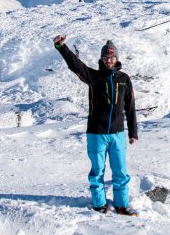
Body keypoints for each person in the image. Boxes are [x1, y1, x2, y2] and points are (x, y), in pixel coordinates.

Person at [53, 35, 138, 216]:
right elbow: (75, 65)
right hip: (96, 133)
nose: (109, 60)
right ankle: (99, 204)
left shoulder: (124, 79)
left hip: (117, 134)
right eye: (106, 57)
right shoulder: (94, 77)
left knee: (120, 172)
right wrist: (62, 47)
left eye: (112, 57)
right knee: (97, 172)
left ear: (117, 59)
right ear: (101, 59)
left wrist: (133, 132)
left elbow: (130, 106)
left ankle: (122, 205)